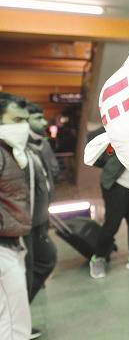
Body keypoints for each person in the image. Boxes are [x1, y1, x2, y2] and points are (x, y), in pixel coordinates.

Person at [89, 128, 129, 279]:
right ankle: (98, 258)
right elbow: (94, 139)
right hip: (117, 185)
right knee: (112, 224)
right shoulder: (122, 126)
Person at [0, 94, 33, 339]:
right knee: (14, 326)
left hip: (13, 241)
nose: (23, 125)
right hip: (2, 247)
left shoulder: (10, 150)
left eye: (25, 120)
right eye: (15, 119)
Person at [24, 103, 58, 305]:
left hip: (41, 214)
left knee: (44, 258)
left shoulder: (42, 144)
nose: (43, 123)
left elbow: (52, 168)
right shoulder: (16, 149)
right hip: (24, 219)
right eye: (37, 118)